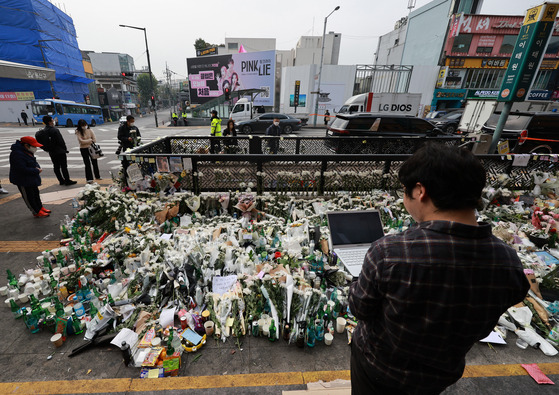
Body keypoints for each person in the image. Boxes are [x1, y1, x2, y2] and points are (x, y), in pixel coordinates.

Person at [348, 143, 529, 395]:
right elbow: (485, 323)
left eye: (405, 191)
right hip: (438, 377)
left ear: (420, 191)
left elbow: (360, 308)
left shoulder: (389, 252)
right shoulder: (508, 261)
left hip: (380, 370)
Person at [9, 136, 50, 217]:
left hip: (31, 177)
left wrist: (37, 167)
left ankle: (40, 207)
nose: (35, 148)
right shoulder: (17, 154)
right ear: (26, 145)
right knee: (29, 196)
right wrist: (36, 170)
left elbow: (33, 161)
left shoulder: (26, 151)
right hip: (22, 179)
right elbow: (21, 169)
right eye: (34, 146)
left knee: (35, 193)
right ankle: (36, 211)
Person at [35, 115, 77, 186]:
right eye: (52, 120)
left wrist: (47, 149)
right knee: (63, 166)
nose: (53, 121)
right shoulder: (54, 130)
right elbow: (60, 141)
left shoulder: (43, 131)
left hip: (52, 151)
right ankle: (67, 180)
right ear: (50, 122)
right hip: (60, 151)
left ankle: (61, 180)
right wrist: (64, 149)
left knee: (56, 166)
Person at [75, 119, 101, 184]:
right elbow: (81, 141)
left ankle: (97, 176)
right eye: (82, 125)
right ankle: (89, 178)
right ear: (80, 126)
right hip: (83, 149)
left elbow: (94, 140)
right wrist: (89, 140)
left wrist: (86, 140)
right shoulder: (78, 131)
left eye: (85, 125)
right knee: (87, 164)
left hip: (92, 148)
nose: (84, 126)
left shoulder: (90, 130)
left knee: (94, 162)